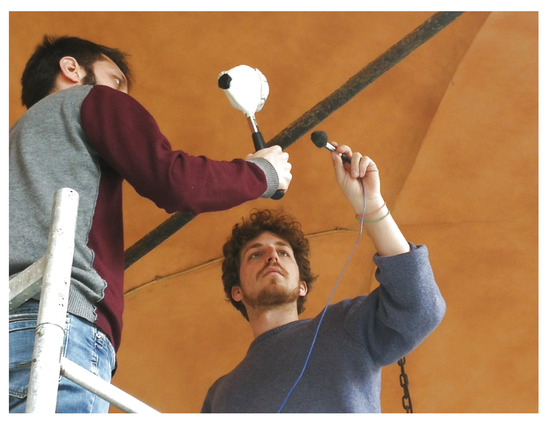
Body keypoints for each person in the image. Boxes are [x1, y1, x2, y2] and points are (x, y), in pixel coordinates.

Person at [9, 35, 292, 413]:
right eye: (116, 80)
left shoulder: (12, 144)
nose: (122, 95)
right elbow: (174, 182)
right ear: (72, 68)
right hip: (59, 322)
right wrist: (261, 173)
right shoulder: (94, 99)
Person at [201, 142, 446, 413]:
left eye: (283, 252)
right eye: (256, 254)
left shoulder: (344, 324)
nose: (272, 256)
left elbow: (420, 307)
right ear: (236, 291)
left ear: (302, 286)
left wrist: (371, 205)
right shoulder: (220, 395)